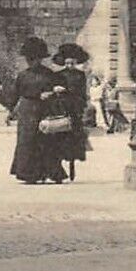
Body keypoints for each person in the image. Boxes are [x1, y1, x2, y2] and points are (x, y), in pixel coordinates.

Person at [4, 37, 67, 184]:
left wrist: (51, 93)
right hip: (27, 111)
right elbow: (16, 93)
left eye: (35, 58)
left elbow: (58, 90)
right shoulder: (22, 75)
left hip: (44, 110)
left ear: (40, 58)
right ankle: (29, 174)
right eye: (30, 59)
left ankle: (51, 172)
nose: (32, 62)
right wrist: (10, 110)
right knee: (27, 142)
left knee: (46, 141)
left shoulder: (49, 74)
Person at [52, 44, 91, 181]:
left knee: (73, 137)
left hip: (74, 108)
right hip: (61, 107)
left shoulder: (80, 75)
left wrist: (69, 93)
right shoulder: (58, 75)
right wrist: (56, 90)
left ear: (76, 62)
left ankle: (72, 163)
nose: (69, 65)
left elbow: (82, 93)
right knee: (59, 135)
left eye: (72, 63)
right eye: (67, 63)